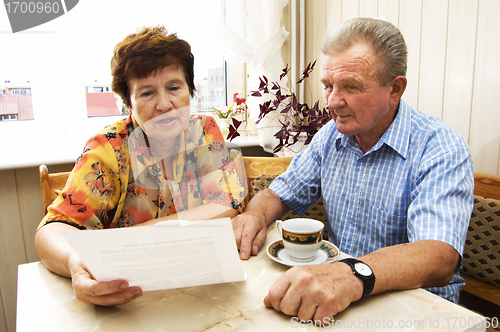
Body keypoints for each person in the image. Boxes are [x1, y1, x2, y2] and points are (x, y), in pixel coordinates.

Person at [232, 17, 473, 324]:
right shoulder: (330, 137)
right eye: (328, 86)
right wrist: (254, 215)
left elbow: (439, 257)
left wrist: (350, 273)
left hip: (419, 312)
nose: (333, 102)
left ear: (395, 89)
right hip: (342, 296)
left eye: (350, 87)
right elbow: (277, 193)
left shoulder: (440, 146)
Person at [35, 26, 245, 306]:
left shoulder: (204, 130)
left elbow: (229, 201)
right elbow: (52, 229)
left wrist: (144, 235)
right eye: (147, 93)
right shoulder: (108, 148)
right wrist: (76, 261)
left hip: (195, 289)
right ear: (128, 104)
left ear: (189, 91)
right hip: (129, 300)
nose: (165, 104)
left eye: (174, 87)